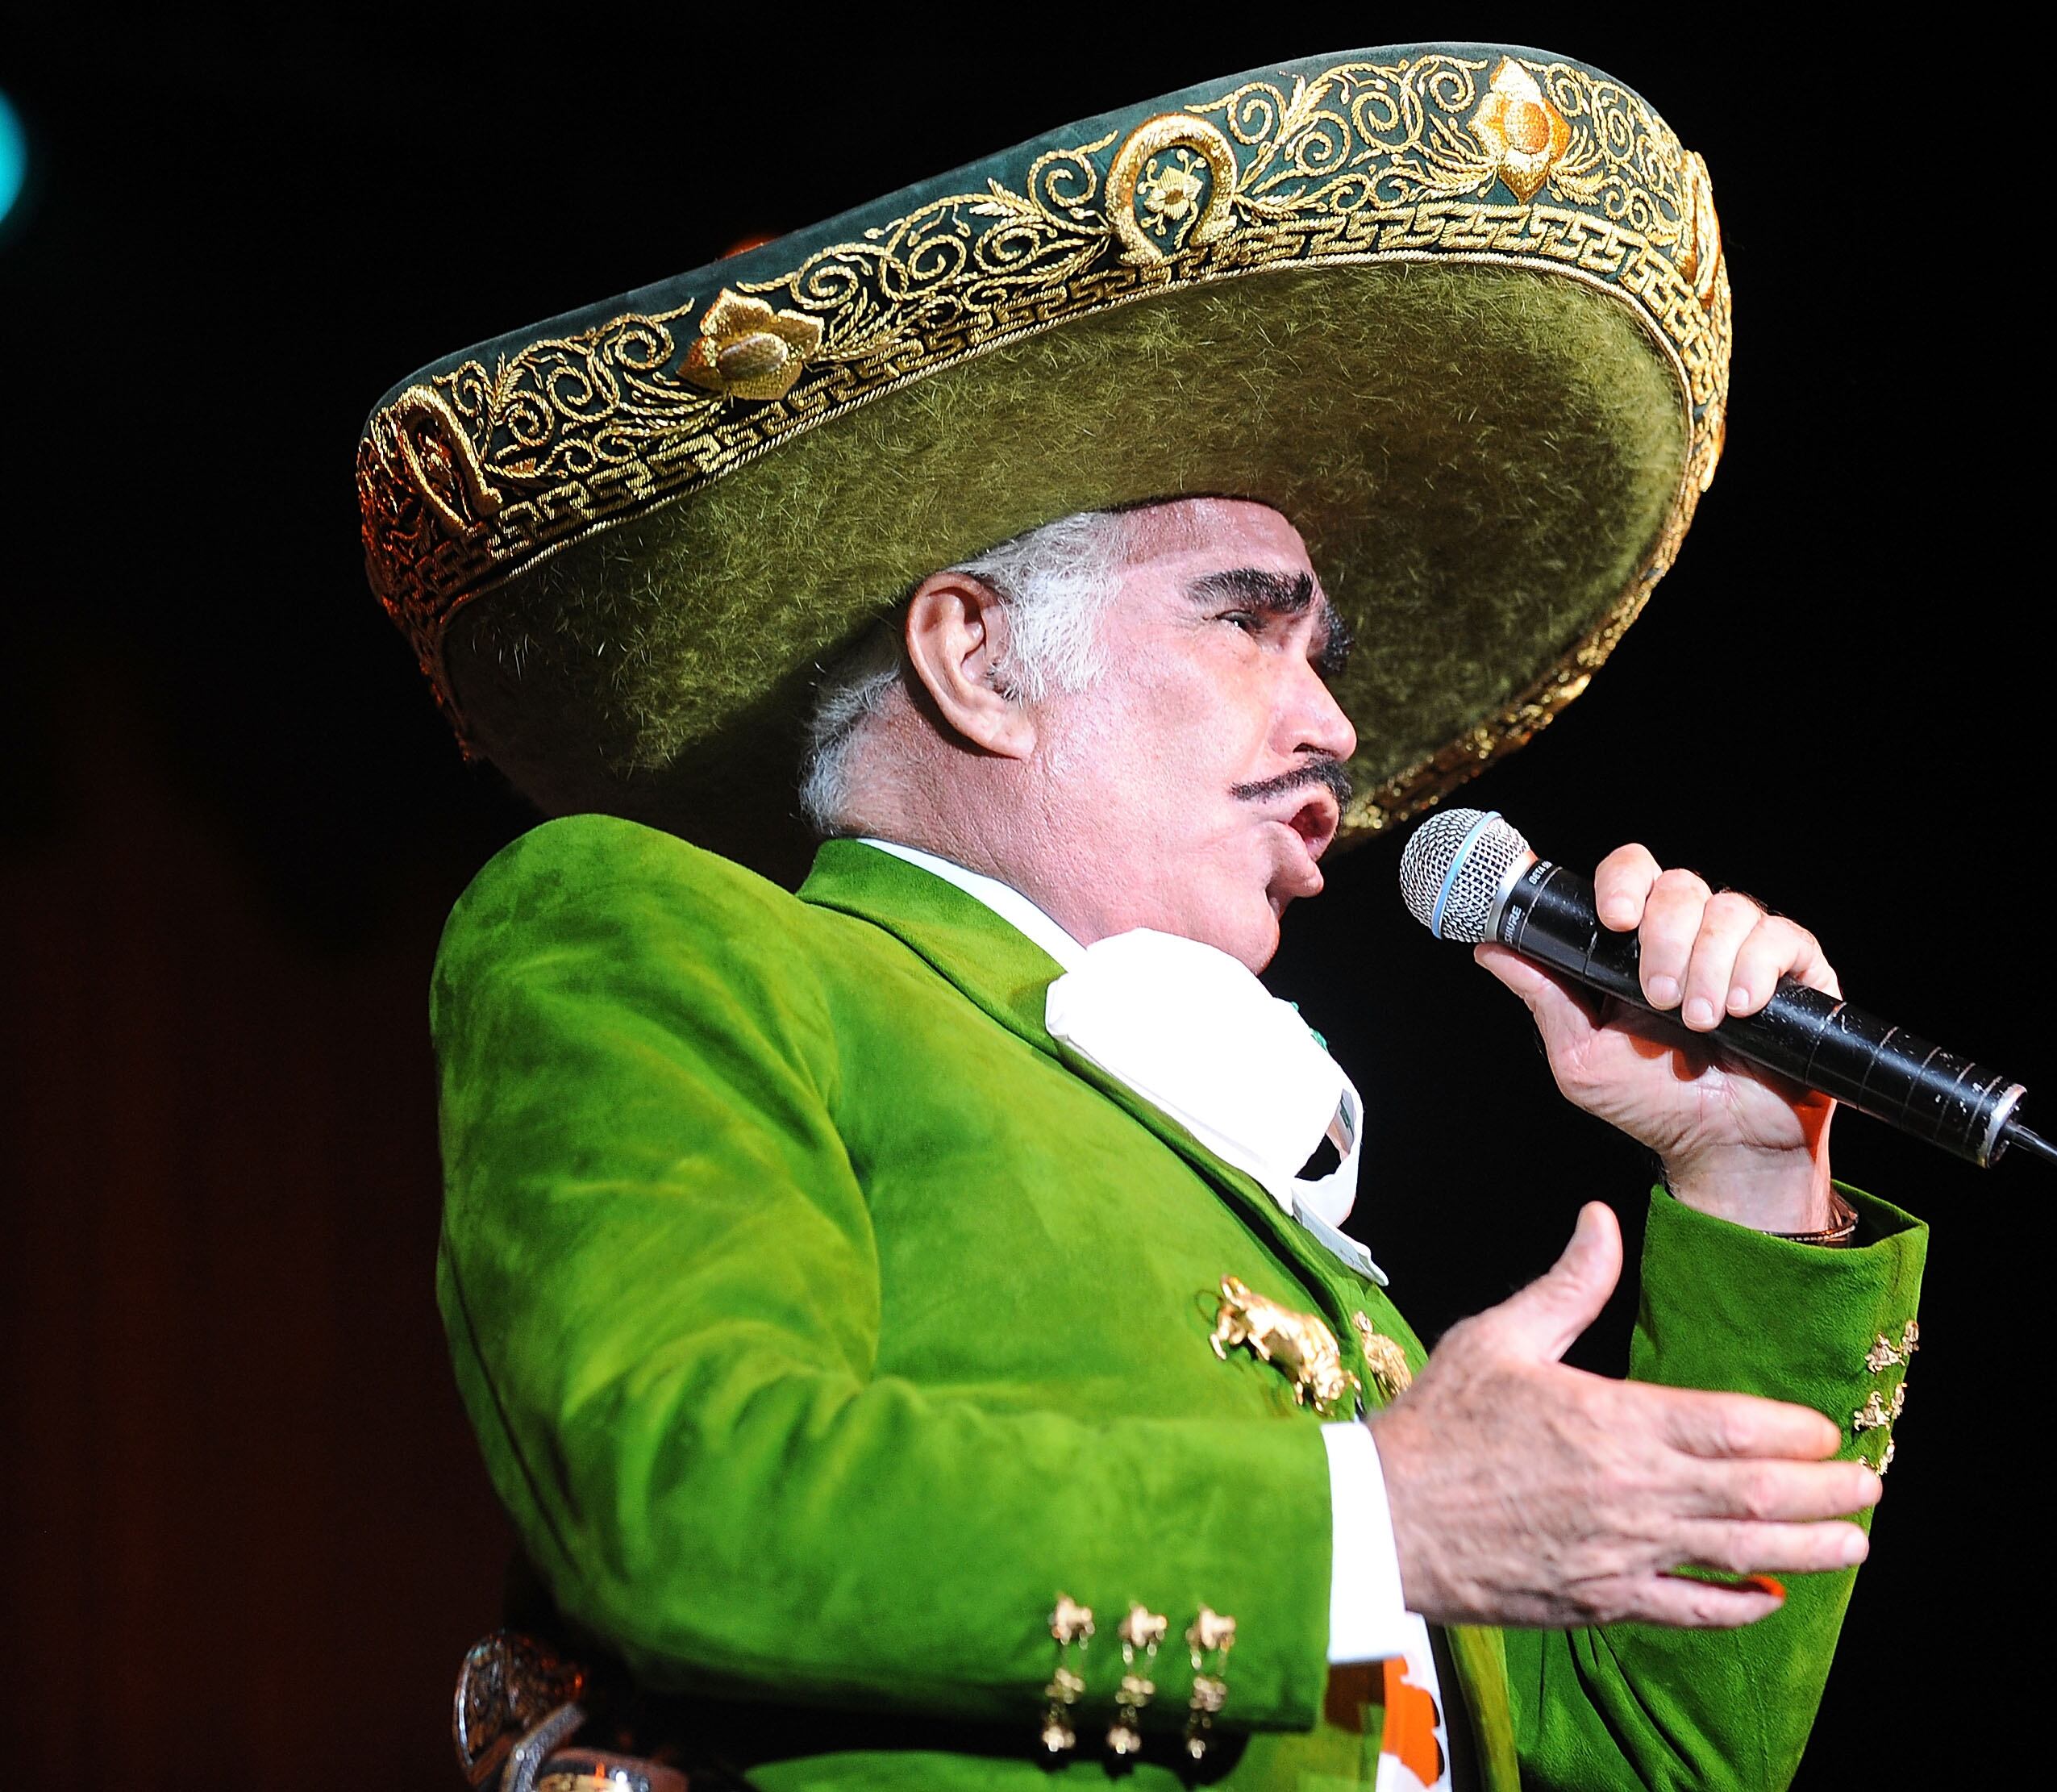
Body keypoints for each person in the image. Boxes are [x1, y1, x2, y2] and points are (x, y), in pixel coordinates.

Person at [369, 47, 1927, 1790]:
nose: (1336, 724)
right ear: (974, 658)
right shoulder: (664, 936)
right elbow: (685, 1494)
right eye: (1248, 622)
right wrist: (1377, 1512)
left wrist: (1748, 1178)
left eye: (1318, 652)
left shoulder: (1277, 1218)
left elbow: (1654, 1763)